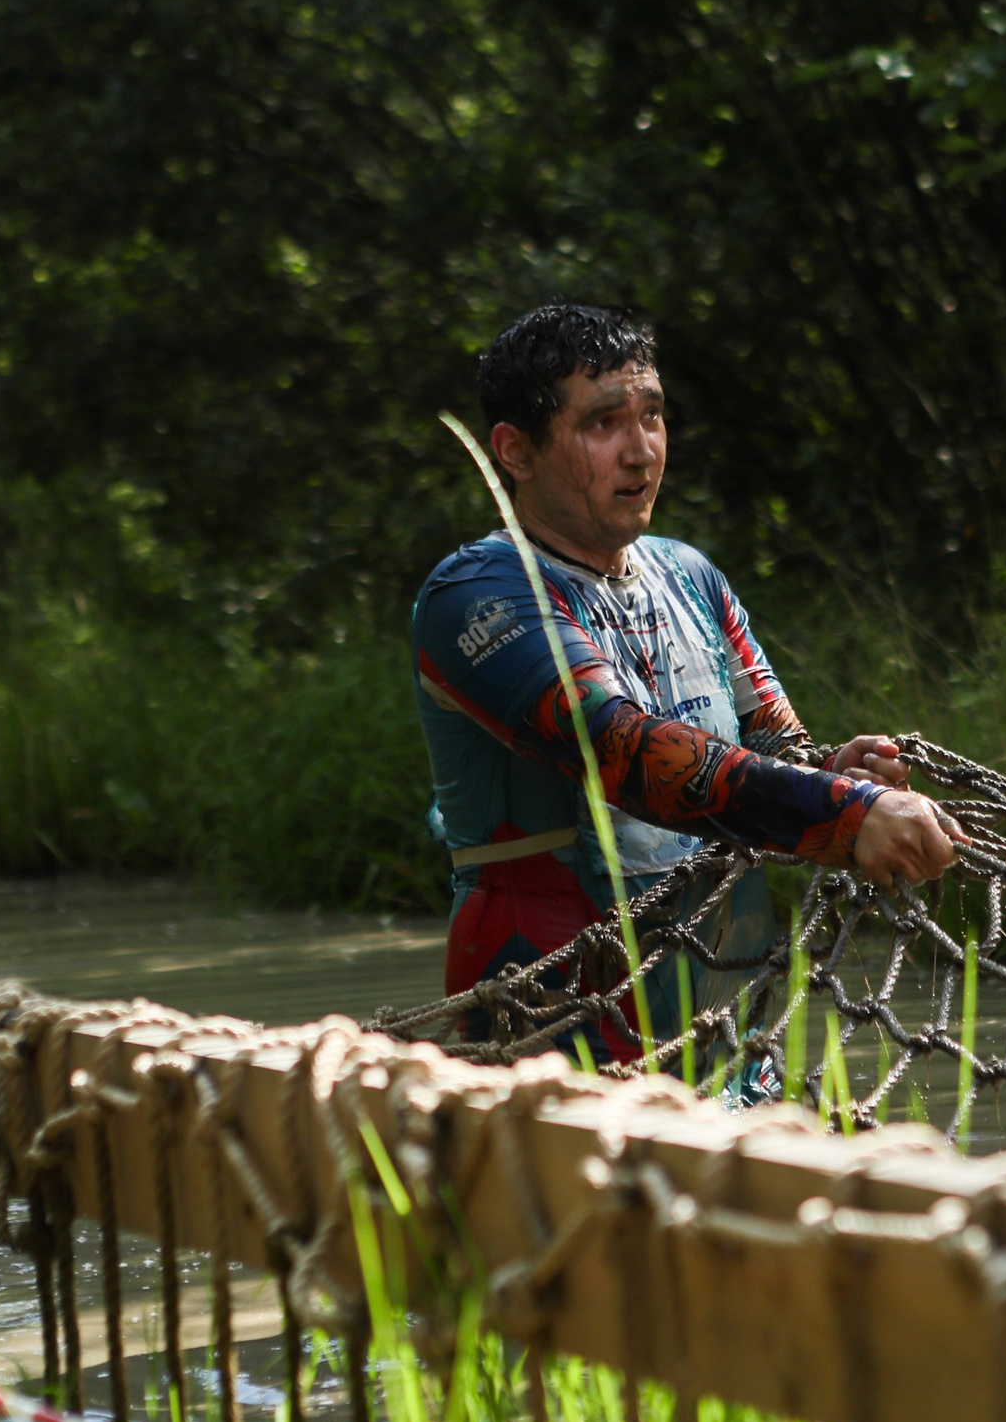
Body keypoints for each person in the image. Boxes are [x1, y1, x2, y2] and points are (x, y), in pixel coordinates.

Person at [412, 302, 961, 1062]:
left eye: (653, 415)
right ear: (515, 450)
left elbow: (777, 747)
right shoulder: (478, 595)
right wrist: (846, 808)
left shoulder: (690, 576)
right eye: (604, 423)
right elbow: (625, 755)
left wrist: (836, 772)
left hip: (724, 1004)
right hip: (553, 1020)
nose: (641, 451)